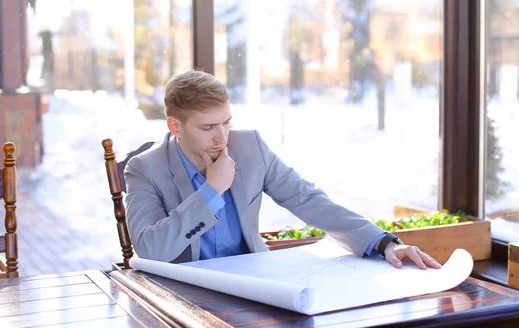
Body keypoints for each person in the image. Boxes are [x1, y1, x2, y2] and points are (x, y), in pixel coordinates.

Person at [124, 70, 441, 270]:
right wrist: (211, 192)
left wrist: (385, 243)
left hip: (251, 280)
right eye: (208, 127)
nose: (222, 137)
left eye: (226, 122)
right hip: (180, 292)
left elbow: (306, 199)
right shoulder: (145, 169)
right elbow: (150, 251)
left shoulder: (250, 148)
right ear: (174, 126)